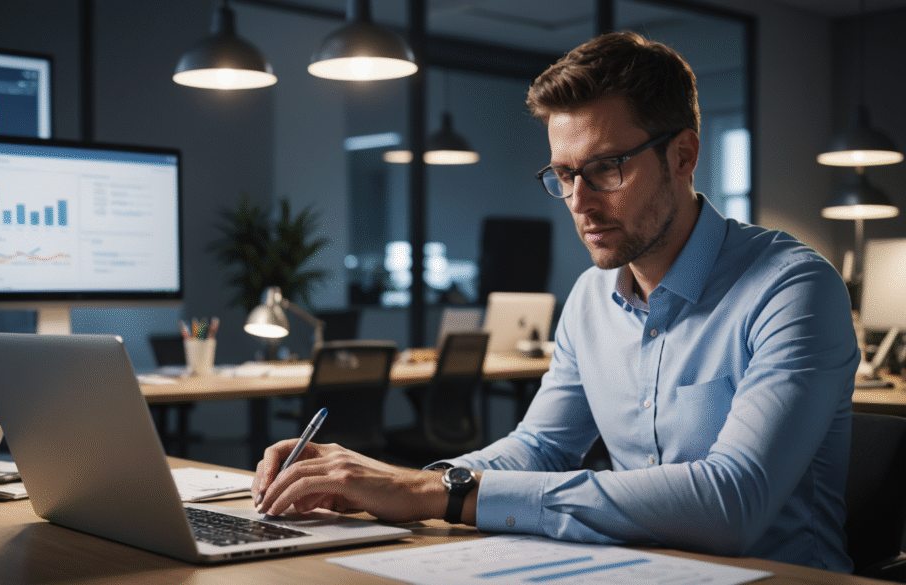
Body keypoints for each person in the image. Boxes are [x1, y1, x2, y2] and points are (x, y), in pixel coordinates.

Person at [251, 31, 860, 572]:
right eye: (563, 175)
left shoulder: (793, 288)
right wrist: (392, 483)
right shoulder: (593, 296)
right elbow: (540, 447)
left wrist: (440, 494)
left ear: (683, 156)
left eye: (606, 169)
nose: (579, 201)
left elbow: (733, 503)